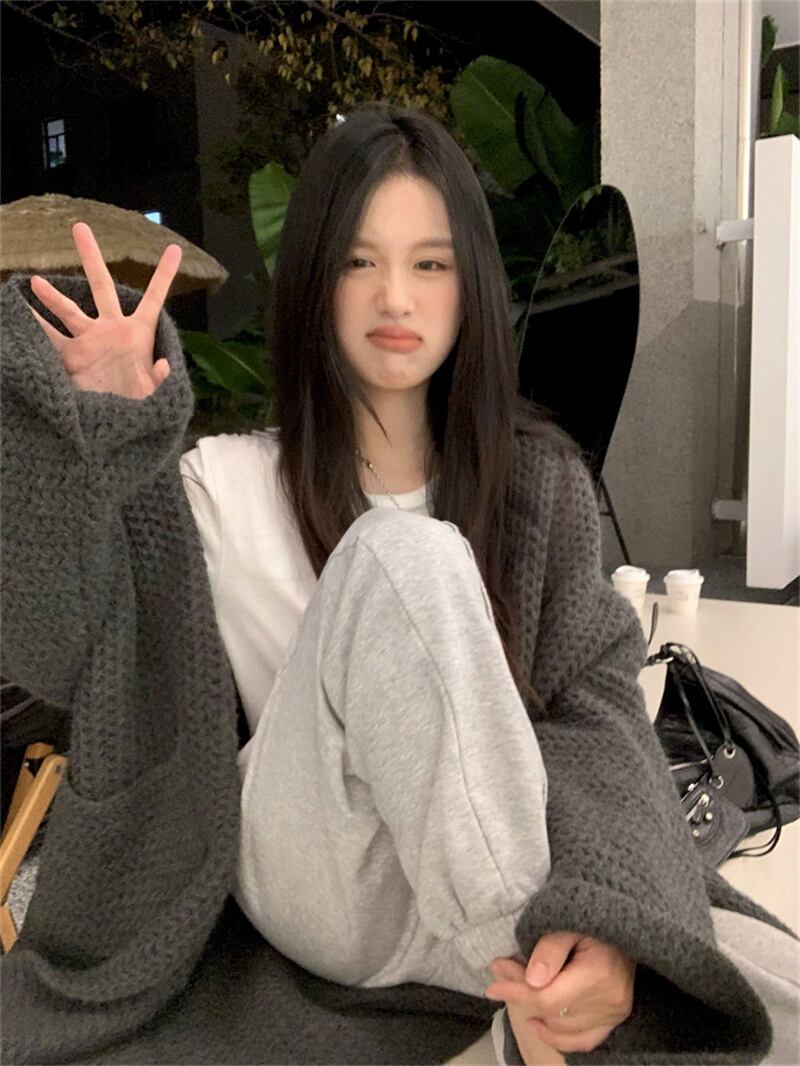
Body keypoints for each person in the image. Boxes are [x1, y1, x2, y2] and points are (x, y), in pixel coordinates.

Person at [1, 101, 796, 1066]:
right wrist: (100, 442)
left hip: (481, 858)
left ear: (471, 287)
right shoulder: (218, 486)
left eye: (430, 264)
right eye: (357, 262)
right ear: (313, 279)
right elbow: (56, 653)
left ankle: (545, 1003)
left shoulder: (536, 484)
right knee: (403, 554)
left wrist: (623, 911)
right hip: (320, 876)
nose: (395, 298)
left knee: (768, 988)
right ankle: (548, 978)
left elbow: (596, 710)